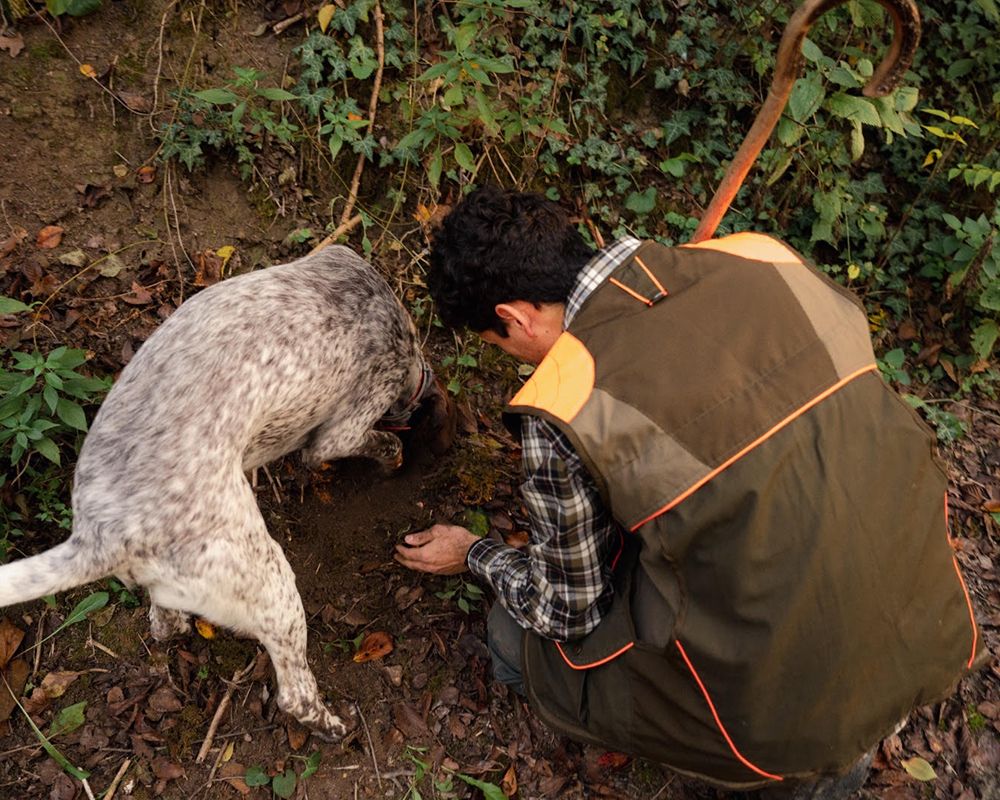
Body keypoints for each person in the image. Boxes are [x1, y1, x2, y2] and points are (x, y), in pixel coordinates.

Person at [394, 186, 984, 797]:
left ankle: (794, 767)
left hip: (780, 724)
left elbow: (567, 611)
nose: (514, 357)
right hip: (929, 624)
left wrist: (474, 553)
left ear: (515, 317)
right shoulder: (764, 258)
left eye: (501, 345)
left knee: (510, 638)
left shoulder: (566, 402)